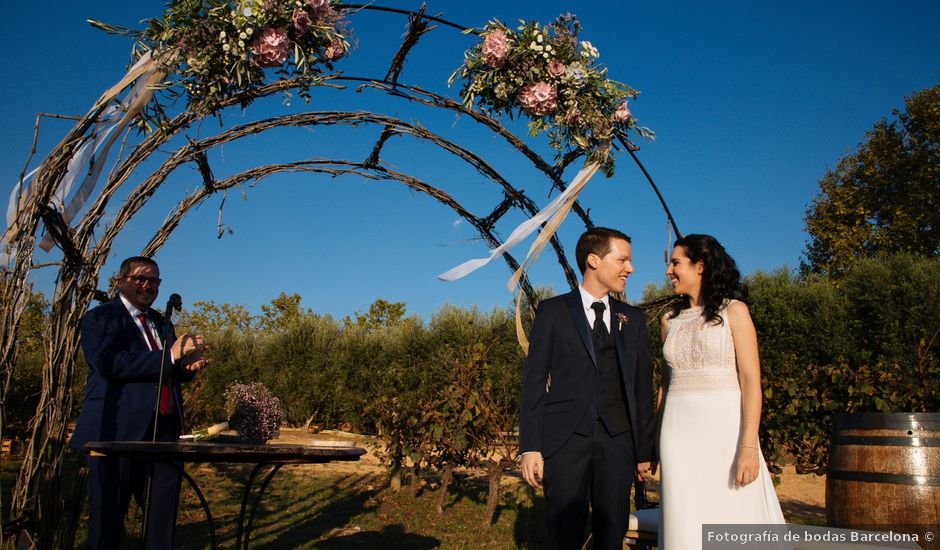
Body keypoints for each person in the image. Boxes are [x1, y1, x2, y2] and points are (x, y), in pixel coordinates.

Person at [520, 227, 656, 550]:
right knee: (563, 534)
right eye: (622, 259)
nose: (630, 268)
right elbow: (534, 383)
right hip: (564, 441)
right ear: (594, 260)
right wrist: (530, 446)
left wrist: (643, 450)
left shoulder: (632, 319)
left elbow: (642, 389)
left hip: (618, 443)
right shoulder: (552, 312)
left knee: (612, 534)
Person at [70, 256, 209, 550]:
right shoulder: (101, 319)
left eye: (154, 281)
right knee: (107, 522)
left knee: (161, 521)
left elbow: (165, 372)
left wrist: (186, 367)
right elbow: (109, 365)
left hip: (165, 433)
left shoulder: (162, 323)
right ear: (121, 282)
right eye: (140, 279)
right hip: (116, 433)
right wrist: (171, 356)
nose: (147, 286)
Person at [657, 234, 785, 549]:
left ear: (700, 266)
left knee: (731, 511)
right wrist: (652, 441)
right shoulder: (668, 320)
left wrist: (749, 447)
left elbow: (751, 381)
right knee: (683, 515)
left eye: (675, 263)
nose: (669, 271)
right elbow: (664, 383)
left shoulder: (735, 312)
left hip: (726, 433)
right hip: (676, 435)